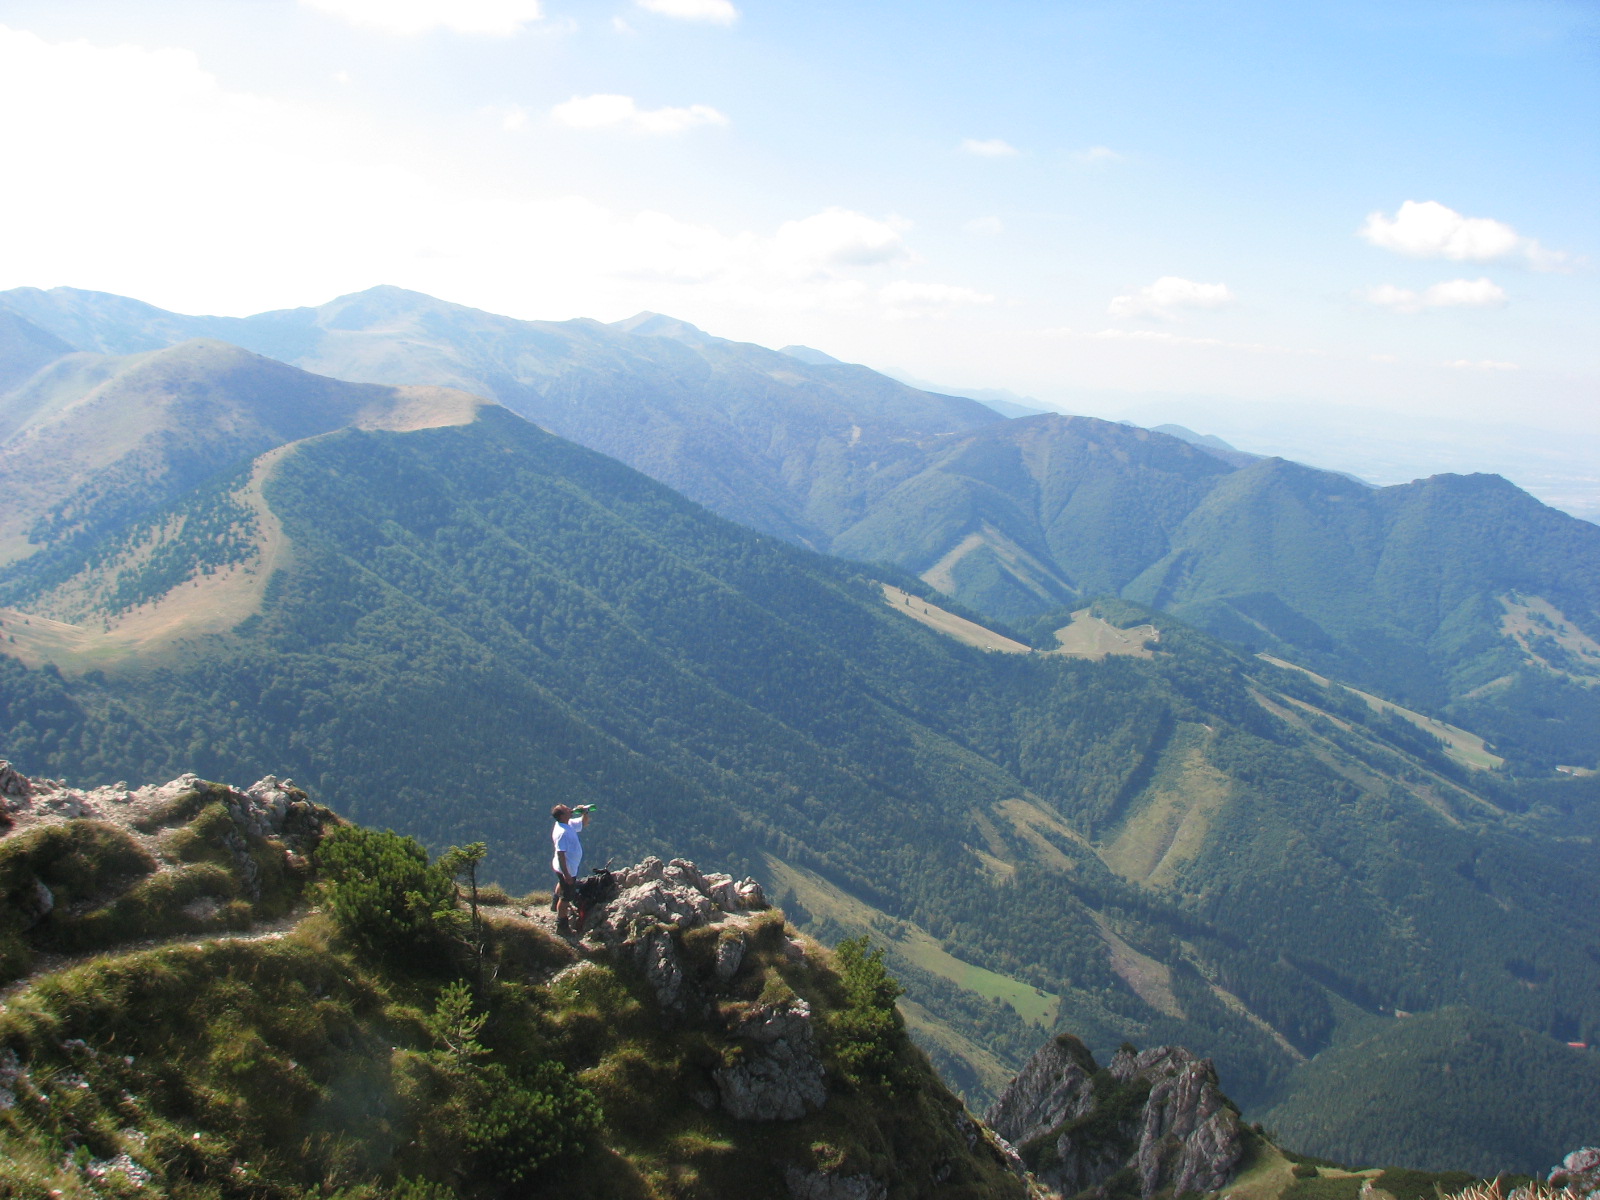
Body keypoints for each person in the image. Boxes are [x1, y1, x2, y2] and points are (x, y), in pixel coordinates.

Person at [550, 803, 593, 933]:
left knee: (561, 884)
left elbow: (583, 823)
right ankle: (561, 925)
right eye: (567, 810)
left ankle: (554, 904)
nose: (570, 809)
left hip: (562, 868)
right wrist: (567, 874)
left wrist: (585, 812)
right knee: (566, 898)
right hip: (567, 869)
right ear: (562, 816)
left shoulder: (567, 824)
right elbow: (561, 854)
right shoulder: (562, 833)